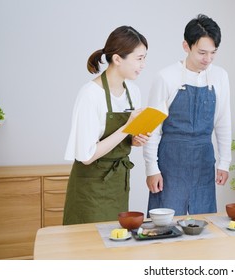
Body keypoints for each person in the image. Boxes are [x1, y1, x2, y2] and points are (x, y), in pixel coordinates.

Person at [143, 14, 231, 216]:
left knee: (204, 223)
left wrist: (224, 162)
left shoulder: (220, 76)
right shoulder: (166, 77)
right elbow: (152, 129)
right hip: (171, 161)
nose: (207, 59)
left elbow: (223, 122)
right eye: (202, 52)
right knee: (165, 224)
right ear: (186, 46)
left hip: (203, 159)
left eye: (213, 53)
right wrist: (151, 168)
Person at [63, 26, 150, 225]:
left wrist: (135, 139)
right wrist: (127, 128)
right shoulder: (90, 94)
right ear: (118, 59)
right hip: (91, 187)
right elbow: (86, 156)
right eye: (139, 58)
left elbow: (124, 139)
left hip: (118, 183)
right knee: (89, 249)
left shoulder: (133, 91)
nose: (143, 64)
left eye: (145, 58)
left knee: (116, 243)